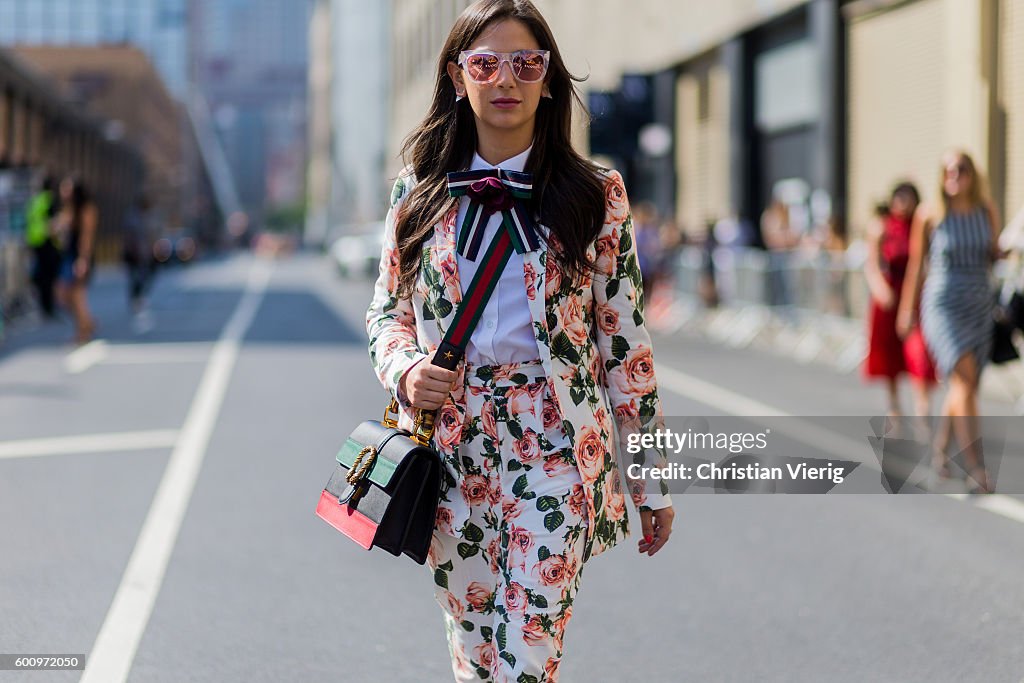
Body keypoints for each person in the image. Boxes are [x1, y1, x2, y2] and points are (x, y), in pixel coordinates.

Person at [365, 2, 675, 680]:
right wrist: (406, 370)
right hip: (452, 449)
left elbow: (627, 349)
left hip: (558, 446)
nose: (506, 78)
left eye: (526, 63)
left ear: (548, 80)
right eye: (485, 63)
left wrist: (650, 482)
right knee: (475, 657)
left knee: (526, 657)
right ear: (457, 77)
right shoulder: (418, 191)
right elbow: (387, 313)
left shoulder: (596, 196)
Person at [898, 151, 1002, 493]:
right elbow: (916, 266)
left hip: (978, 306)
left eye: (961, 170)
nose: (955, 176)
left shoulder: (986, 210)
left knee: (963, 386)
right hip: (943, 306)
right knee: (965, 379)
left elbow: (993, 252)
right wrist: (905, 310)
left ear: (973, 175)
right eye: (948, 171)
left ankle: (941, 452)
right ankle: (975, 467)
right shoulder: (930, 215)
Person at [863, 183, 936, 425]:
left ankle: (922, 404)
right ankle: (894, 405)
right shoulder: (882, 226)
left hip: (915, 294)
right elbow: (871, 264)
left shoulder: (921, 225)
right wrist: (881, 291)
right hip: (889, 296)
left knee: (919, 353)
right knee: (889, 356)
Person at [54, 177, 98, 345]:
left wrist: (83, 259)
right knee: (63, 295)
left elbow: (87, 236)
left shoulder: (86, 209)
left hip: (79, 256)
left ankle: (83, 330)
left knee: (77, 295)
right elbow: (59, 232)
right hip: (67, 255)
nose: (63, 192)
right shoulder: (67, 209)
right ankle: (86, 322)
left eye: (67, 189)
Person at [25, 174, 61, 318]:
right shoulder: (48, 200)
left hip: (35, 242)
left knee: (40, 275)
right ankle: (49, 307)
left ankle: (43, 305)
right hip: (47, 242)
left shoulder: (34, 201)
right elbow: (53, 223)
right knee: (49, 277)